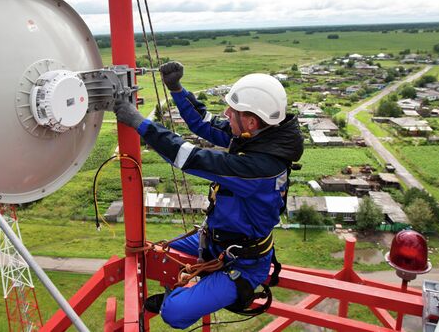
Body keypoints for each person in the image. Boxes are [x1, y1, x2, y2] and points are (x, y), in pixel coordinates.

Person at [113, 61, 304, 329]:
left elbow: (190, 157)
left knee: (175, 314)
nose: (226, 113)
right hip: (215, 239)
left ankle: (177, 296)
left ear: (250, 120)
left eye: (232, 111)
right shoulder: (258, 136)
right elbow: (204, 124)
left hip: (244, 262)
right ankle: (192, 289)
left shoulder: (260, 168)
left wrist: (139, 123)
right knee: (154, 255)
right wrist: (177, 89)